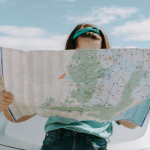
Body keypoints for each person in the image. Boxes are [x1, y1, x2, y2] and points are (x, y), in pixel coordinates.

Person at [0, 23, 138, 150]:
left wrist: (139, 103)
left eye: (94, 53)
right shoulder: (54, 74)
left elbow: (130, 124)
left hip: (94, 143)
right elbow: (16, 117)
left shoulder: (114, 79)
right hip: (57, 141)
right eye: (81, 53)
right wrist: (4, 103)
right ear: (70, 51)